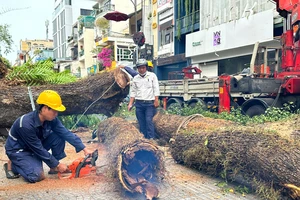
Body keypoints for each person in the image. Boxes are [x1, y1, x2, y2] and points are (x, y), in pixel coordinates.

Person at [4, 90, 94, 183]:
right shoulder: (26, 124)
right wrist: (58, 164)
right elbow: (38, 148)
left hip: (34, 146)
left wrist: (84, 149)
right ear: (44, 108)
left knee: (58, 135)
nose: (56, 114)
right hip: (19, 150)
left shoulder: (51, 119)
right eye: (54, 111)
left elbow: (65, 133)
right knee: (37, 175)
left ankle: (53, 168)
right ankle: (13, 165)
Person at [127, 59, 160, 139]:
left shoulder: (152, 76)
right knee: (141, 122)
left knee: (149, 120)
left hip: (149, 103)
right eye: (139, 68)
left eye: (143, 68)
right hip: (139, 104)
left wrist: (156, 100)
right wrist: (130, 104)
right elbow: (133, 92)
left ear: (146, 68)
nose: (141, 70)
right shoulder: (135, 79)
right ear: (137, 69)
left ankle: (151, 139)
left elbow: (156, 88)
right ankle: (143, 139)